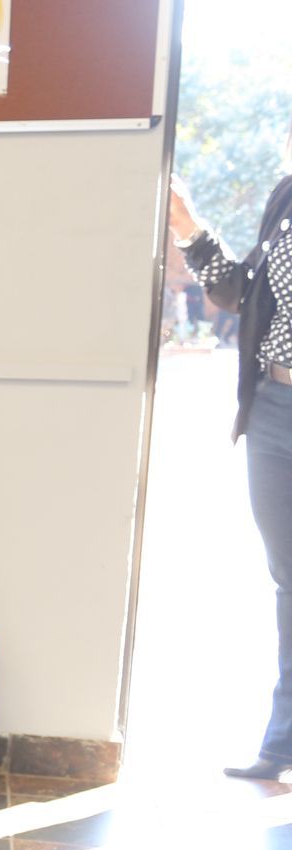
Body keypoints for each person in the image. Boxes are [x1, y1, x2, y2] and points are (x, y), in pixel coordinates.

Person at [173, 162, 292, 780]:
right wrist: (191, 231)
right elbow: (243, 294)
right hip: (273, 407)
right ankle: (282, 743)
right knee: (289, 579)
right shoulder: (287, 196)